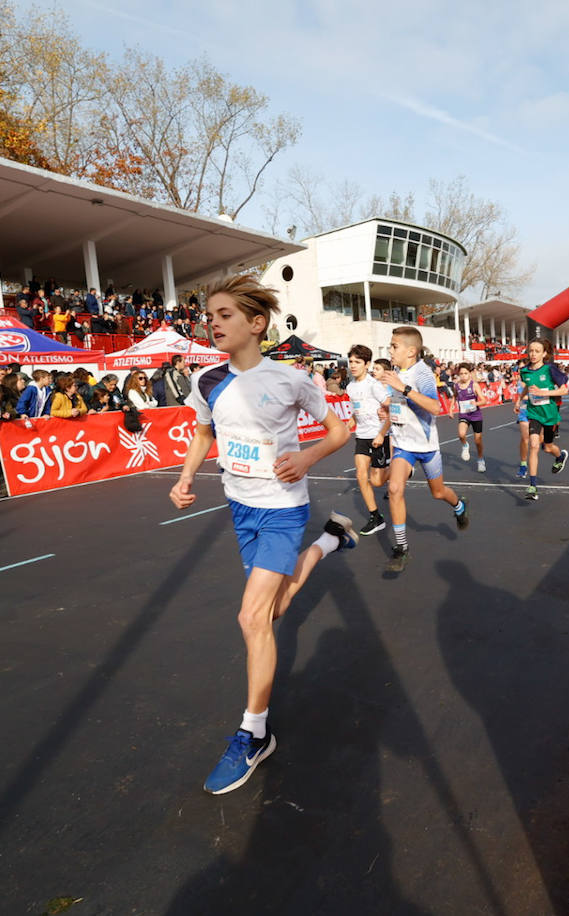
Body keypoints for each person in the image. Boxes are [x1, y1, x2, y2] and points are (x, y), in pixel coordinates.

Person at [169, 273, 354, 794]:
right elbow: (204, 433)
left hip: (281, 509)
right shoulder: (206, 380)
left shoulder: (292, 379)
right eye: (210, 316)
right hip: (240, 506)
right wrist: (185, 479)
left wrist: (309, 455)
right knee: (272, 612)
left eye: (224, 315)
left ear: (256, 323)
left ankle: (254, 733)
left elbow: (339, 431)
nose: (213, 323)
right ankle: (330, 542)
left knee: (251, 617)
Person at [375, 326, 469, 573]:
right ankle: (401, 549)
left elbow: (435, 407)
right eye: (390, 345)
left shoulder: (423, 373)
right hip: (403, 444)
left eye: (394, 346)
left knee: (437, 493)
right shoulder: (395, 372)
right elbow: (397, 404)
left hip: (426, 446)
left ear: (411, 351)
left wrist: (404, 389)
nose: (390, 350)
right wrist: (386, 410)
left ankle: (459, 505)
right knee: (394, 489)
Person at [344, 344, 392, 537]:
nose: (353, 365)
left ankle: (402, 470)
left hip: (379, 436)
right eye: (351, 361)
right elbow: (356, 413)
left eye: (357, 362)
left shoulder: (374, 385)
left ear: (367, 364)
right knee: (361, 476)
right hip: (362, 437)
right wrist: (346, 426)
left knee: (377, 481)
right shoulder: (350, 386)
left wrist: (382, 434)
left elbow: (392, 408)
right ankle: (376, 517)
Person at [518, 337, 569, 501]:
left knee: (548, 448)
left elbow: (564, 391)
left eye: (537, 351)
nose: (533, 354)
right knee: (533, 444)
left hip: (550, 415)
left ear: (544, 353)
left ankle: (560, 456)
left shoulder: (550, 369)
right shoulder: (524, 371)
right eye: (531, 350)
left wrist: (544, 393)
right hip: (534, 414)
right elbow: (527, 385)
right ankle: (532, 486)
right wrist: (520, 399)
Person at [453, 362, 488, 471]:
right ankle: (465, 445)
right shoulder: (456, 386)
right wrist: (450, 409)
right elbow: (454, 396)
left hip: (476, 415)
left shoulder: (474, 385)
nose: (463, 376)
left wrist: (476, 404)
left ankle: (481, 459)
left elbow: (484, 401)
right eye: (461, 374)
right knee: (461, 434)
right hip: (464, 414)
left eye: (465, 373)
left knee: (478, 441)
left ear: (469, 374)